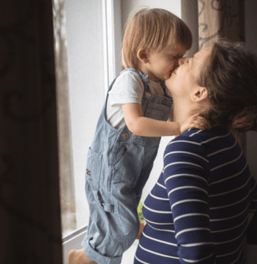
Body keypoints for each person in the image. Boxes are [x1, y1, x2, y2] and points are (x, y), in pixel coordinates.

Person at [68, 8, 209, 264]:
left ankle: (92, 252)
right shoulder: (130, 81)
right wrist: (178, 127)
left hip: (134, 167)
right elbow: (135, 124)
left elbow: (164, 115)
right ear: (144, 54)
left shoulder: (159, 85)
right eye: (174, 56)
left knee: (119, 222)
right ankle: (83, 257)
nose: (178, 62)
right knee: (121, 225)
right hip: (110, 168)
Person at [134, 40, 257, 264]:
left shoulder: (185, 150)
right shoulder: (224, 139)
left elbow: (196, 253)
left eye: (192, 61)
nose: (182, 59)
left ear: (199, 93)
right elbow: (253, 194)